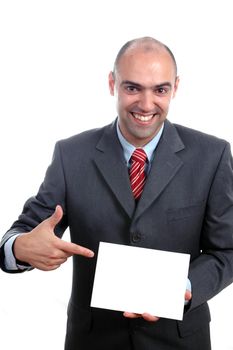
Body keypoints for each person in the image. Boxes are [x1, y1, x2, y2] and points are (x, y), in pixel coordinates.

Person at [1, 36, 233, 350]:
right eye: (133, 88)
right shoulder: (72, 155)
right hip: (93, 340)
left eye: (160, 89)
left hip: (180, 340)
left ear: (175, 88)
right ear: (113, 83)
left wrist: (186, 286)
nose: (146, 104)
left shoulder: (212, 155)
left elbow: (227, 250)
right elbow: (23, 232)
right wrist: (18, 247)